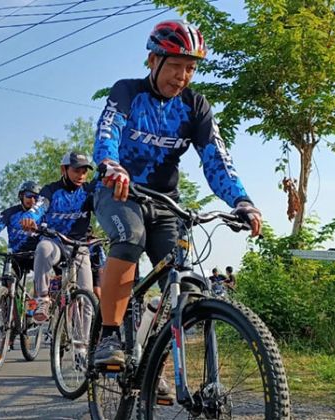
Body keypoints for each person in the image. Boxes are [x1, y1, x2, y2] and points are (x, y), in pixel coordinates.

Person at [92, 20, 262, 367]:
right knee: (130, 238)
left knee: (183, 282)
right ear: (153, 61)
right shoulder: (127, 91)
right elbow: (108, 131)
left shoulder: (195, 106)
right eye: (175, 66)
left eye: (190, 68)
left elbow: (217, 158)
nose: (182, 76)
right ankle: (109, 336)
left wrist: (241, 200)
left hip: (165, 202)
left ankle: (154, 364)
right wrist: (111, 163)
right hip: (119, 192)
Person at [21, 151, 96, 323]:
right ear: (64, 169)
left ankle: (82, 346)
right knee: (43, 247)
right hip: (55, 242)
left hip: (79, 246)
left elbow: (103, 207)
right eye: (76, 170)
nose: (81, 175)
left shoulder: (89, 191)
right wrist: (30, 219)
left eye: (84, 171)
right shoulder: (50, 190)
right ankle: (43, 299)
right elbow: (39, 207)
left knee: (87, 298)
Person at [88, 226, 107, 299]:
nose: (87, 233)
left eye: (89, 231)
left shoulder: (96, 243)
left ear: (91, 232)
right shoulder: (80, 240)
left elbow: (102, 257)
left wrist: (103, 267)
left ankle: (101, 308)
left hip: (95, 269)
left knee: (97, 292)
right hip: (82, 268)